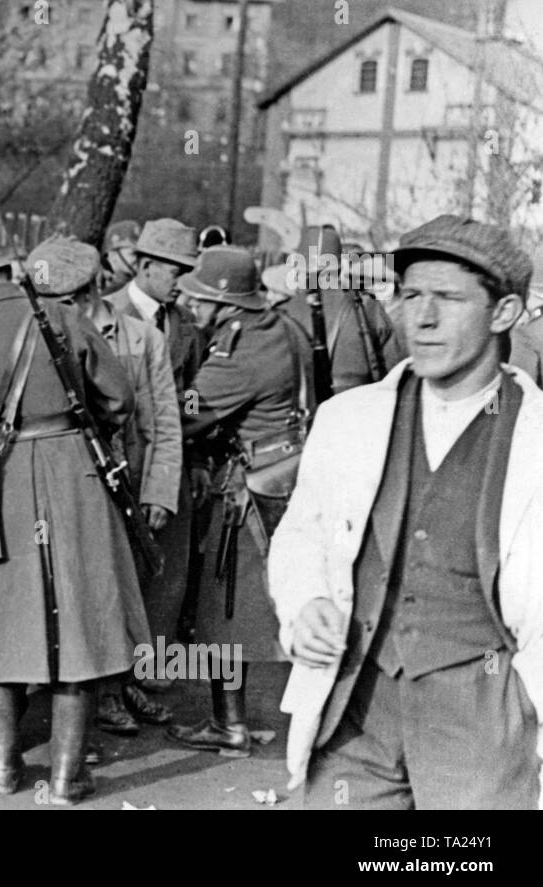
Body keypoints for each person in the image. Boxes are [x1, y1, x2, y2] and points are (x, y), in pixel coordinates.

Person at [271, 215, 543, 809]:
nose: (421, 318)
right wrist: (306, 602)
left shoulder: (536, 439)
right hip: (357, 711)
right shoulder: (349, 418)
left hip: (485, 719)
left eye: (447, 298)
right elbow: (301, 537)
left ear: (504, 313)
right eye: (411, 294)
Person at [0, 229, 143, 806]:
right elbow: (120, 399)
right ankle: (68, 776)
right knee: (81, 621)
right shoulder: (63, 317)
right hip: (76, 474)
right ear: (11, 269)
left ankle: (3, 768)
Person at [29, 235, 180, 733]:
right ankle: (90, 697)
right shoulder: (39, 336)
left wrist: (159, 489)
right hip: (70, 483)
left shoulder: (142, 337)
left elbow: (163, 421)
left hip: (126, 480)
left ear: (93, 288)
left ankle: (117, 686)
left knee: (122, 587)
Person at [165, 246, 312, 758]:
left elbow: (189, 413)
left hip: (250, 484)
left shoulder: (241, 350)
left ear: (225, 303)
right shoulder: (280, 326)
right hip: (283, 470)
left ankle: (230, 728)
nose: (190, 303)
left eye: (199, 297)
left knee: (227, 607)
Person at [101, 218, 205, 733]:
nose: (181, 281)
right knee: (114, 581)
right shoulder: (104, 315)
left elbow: (181, 405)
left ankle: (141, 673)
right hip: (115, 472)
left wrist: (175, 477)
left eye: (188, 271)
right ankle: (110, 686)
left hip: (166, 465)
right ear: (142, 267)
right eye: (173, 270)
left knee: (165, 576)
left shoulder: (184, 324)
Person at [280, 225, 403, 393]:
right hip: (356, 409)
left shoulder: (281, 313)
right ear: (340, 268)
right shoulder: (367, 307)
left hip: (298, 410)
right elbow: (394, 372)